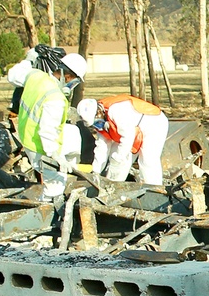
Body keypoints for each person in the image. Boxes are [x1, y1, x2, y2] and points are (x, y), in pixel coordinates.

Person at [14, 49, 86, 199]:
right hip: (38, 145)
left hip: (27, 134)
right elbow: (47, 132)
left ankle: (72, 165)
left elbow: (13, 75)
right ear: (68, 77)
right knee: (55, 187)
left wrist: (29, 58)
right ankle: (44, 211)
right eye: (75, 81)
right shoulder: (55, 99)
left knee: (73, 132)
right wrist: (56, 158)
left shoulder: (36, 76)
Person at [76, 91, 169, 186]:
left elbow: (128, 137)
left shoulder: (116, 111)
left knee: (147, 160)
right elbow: (101, 148)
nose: (98, 126)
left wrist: (119, 157)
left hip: (153, 123)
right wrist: (96, 171)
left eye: (97, 122)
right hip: (133, 129)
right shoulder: (101, 122)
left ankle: (154, 189)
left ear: (99, 112)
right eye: (94, 125)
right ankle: (113, 188)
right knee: (117, 159)